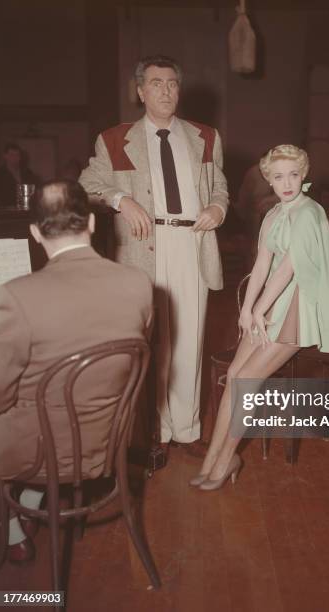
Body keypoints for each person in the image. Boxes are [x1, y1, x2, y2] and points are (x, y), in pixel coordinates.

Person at [79, 55, 229, 462]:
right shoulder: (114, 139)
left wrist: (217, 209)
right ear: (140, 91)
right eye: (156, 84)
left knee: (190, 339)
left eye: (172, 84)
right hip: (142, 245)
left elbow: (219, 189)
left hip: (191, 242)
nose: (165, 91)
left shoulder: (205, 136)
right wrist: (120, 199)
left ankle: (187, 430)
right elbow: (89, 184)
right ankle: (152, 433)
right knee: (149, 343)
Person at [0, 179, 153, 564]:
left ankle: (13, 524)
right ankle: (28, 499)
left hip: (39, 453)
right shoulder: (139, 284)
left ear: (34, 233)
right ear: (93, 225)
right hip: (108, 443)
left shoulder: (14, 296)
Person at [189, 145, 329, 490]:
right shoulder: (274, 213)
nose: (286, 183)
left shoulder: (309, 212)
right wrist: (246, 309)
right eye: (278, 176)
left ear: (304, 175)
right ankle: (213, 457)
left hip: (300, 306)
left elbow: (289, 268)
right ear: (268, 180)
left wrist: (260, 308)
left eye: (292, 174)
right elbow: (262, 264)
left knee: (246, 381)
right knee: (233, 375)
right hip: (273, 300)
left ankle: (228, 457)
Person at [0, 142, 38, 208]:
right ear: (5, 156)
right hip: (6, 212)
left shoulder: (27, 172)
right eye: (11, 155)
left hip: (26, 210)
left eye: (17, 155)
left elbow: (34, 191)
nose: (15, 158)